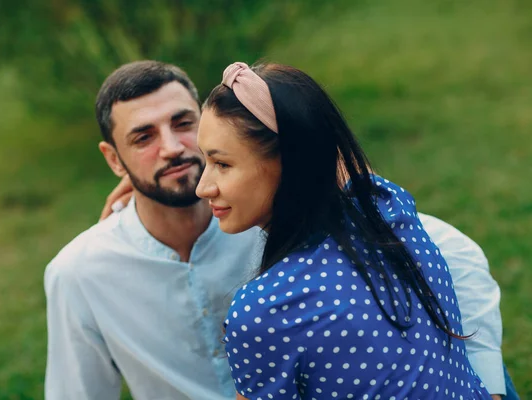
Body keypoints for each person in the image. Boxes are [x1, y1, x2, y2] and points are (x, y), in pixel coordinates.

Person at [44, 60, 512, 400]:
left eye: (184, 125)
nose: (173, 149)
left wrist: (487, 387)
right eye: (143, 138)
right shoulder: (81, 272)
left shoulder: (279, 212)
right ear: (113, 159)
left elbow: (452, 253)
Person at [194, 61, 488, 399]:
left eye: (222, 164)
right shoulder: (386, 206)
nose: (204, 187)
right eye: (204, 160)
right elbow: (335, 158)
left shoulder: (264, 312)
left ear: (290, 162)